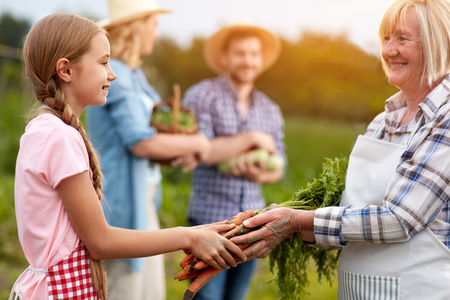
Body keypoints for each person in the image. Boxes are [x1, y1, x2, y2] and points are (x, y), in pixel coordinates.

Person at [10, 12, 246, 300]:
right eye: (104, 62)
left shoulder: (46, 130)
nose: (113, 73)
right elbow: (100, 242)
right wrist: (189, 236)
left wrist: (199, 231)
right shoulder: (59, 137)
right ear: (66, 70)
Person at [232, 0, 450, 299]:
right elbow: (352, 215)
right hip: (357, 288)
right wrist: (280, 222)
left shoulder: (445, 117)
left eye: (402, 38)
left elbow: (400, 219)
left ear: (438, 41)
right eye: (385, 39)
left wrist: (298, 220)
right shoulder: (385, 119)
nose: (388, 50)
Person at [85, 0, 213, 299]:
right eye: (154, 25)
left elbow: (156, 131)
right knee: (125, 288)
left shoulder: (134, 73)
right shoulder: (116, 73)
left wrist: (179, 149)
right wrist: (199, 143)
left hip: (144, 199)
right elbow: (140, 142)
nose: (156, 35)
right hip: (122, 200)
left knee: (148, 290)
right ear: (137, 28)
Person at [180, 22, 286, 300]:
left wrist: (259, 174)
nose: (248, 60)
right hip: (209, 220)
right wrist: (252, 137)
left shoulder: (270, 109)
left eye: (254, 54)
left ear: (261, 59)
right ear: (224, 58)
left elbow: (280, 165)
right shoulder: (203, 95)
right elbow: (197, 150)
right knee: (205, 296)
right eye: (240, 53)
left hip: (252, 223)